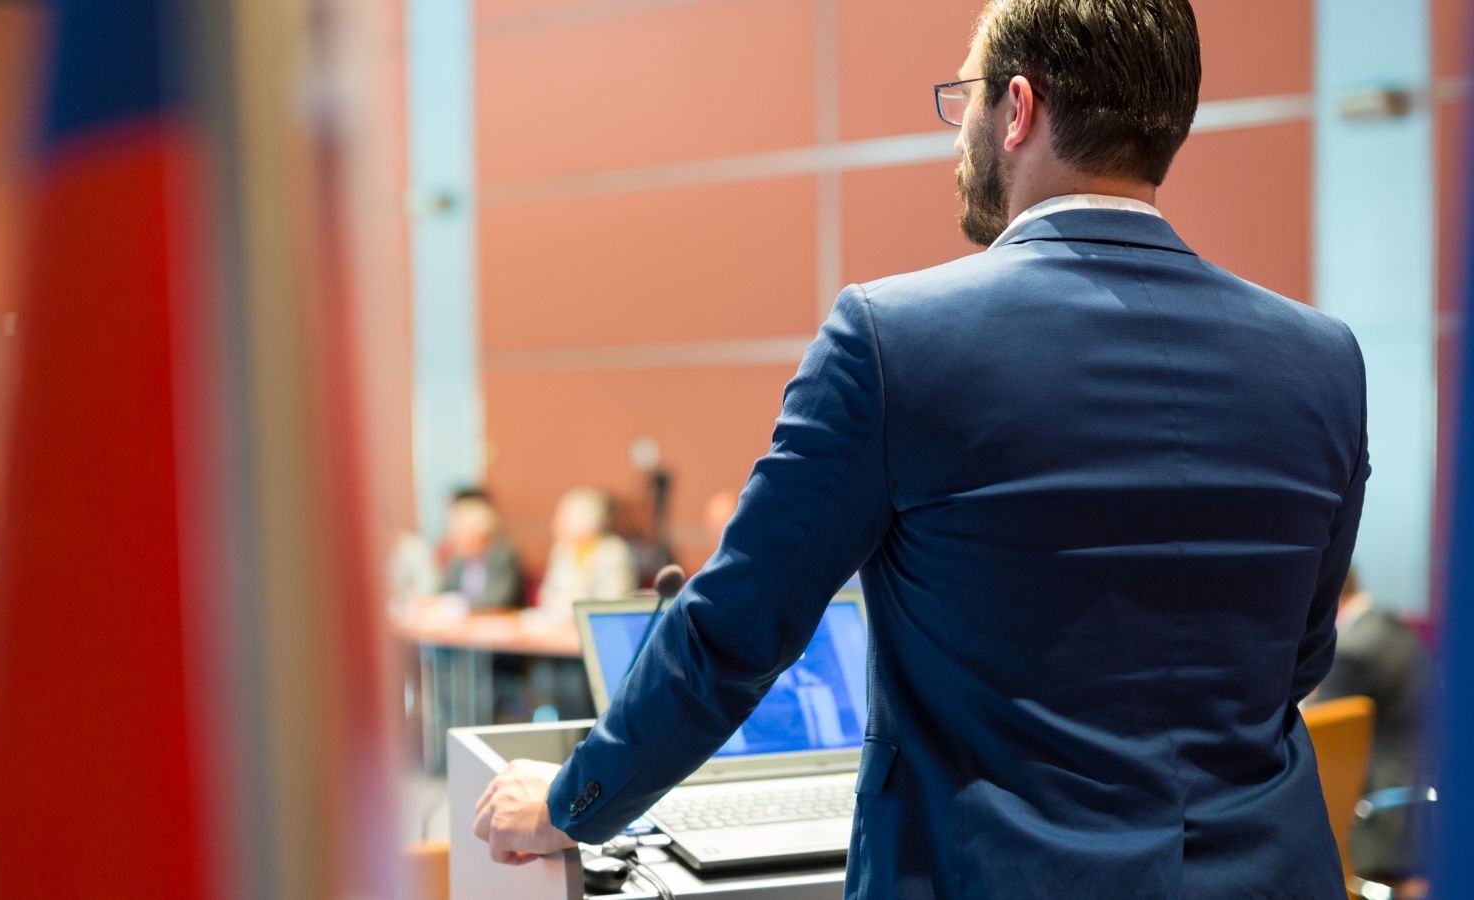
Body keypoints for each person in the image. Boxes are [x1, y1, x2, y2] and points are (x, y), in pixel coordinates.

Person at [476, 1, 1368, 896]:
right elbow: (1297, 657)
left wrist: (568, 802)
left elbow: (733, 632)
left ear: (1017, 109)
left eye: (967, 100)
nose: (959, 140)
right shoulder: (1323, 359)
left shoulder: (891, 339)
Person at [1313, 570, 1435, 883]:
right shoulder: (1395, 630)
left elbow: (1314, 729)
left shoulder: (1353, 649)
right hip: (1417, 800)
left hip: (1375, 817)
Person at [535, 488, 636, 615]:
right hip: (559, 623)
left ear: (586, 523)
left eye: (564, 519)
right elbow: (547, 596)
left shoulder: (613, 551)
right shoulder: (561, 551)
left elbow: (614, 599)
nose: (555, 525)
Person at [439, 491, 523, 611]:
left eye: (461, 532)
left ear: (480, 533)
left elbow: (497, 601)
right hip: (465, 627)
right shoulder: (458, 561)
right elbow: (444, 594)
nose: (455, 538)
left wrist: (458, 605)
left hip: (497, 625)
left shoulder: (504, 558)